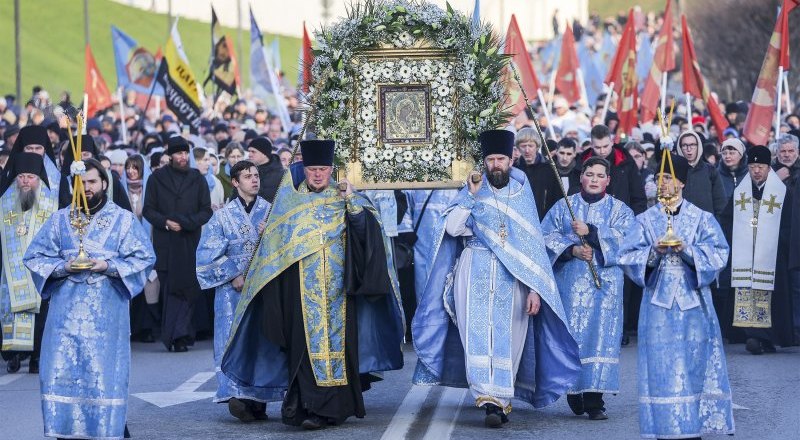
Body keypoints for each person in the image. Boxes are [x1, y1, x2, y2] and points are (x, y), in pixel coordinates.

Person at [221, 139, 405, 430]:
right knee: (302, 353)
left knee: (338, 351)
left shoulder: (345, 198)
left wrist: (352, 203)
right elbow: (274, 248)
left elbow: (368, 236)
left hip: (340, 294)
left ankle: (332, 409)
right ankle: (304, 405)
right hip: (299, 294)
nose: (318, 175)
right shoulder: (289, 202)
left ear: (332, 169)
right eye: (312, 169)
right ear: (303, 169)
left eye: (323, 169)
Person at [412, 129, 579, 428]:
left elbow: (532, 249)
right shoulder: (472, 190)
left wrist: (534, 291)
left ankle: (501, 399)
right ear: (484, 161)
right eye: (490, 159)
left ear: (512, 158)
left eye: (501, 158)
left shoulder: (521, 194)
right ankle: (485, 396)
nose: (496, 164)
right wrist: (471, 198)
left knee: (509, 337)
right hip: (472, 268)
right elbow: (452, 228)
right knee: (475, 334)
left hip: (512, 277)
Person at [23, 158, 155, 439]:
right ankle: (65, 432)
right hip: (64, 318)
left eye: (92, 182)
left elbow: (145, 258)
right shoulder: (60, 220)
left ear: (104, 183)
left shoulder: (123, 220)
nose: (86, 188)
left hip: (107, 317)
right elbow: (34, 256)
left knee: (103, 378)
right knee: (62, 375)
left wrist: (108, 266)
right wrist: (62, 267)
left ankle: (108, 430)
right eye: (80, 183)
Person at [620, 152, 734, 439]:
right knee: (660, 367)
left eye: (668, 178)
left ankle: (692, 427)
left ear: (681, 182)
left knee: (694, 364)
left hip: (694, 304)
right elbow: (626, 255)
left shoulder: (701, 218)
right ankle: (665, 426)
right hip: (657, 306)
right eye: (659, 178)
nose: (663, 183)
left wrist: (688, 251)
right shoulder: (645, 220)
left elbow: (720, 252)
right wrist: (652, 254)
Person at [541, 156, 634, 421]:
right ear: (581, 177)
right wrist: (570, 250)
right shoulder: (564, 207)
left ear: (608, 180)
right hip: (570, 287)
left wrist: (592, 232)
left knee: (600, 339)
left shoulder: (619, 210)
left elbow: (628, 241)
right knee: (573, 337)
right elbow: (544, 236)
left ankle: (595, 400)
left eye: (599, 176)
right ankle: (573, 390)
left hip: (604, 288)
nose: (594, 180)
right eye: (589, 174)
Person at [196, 160, 272, 422]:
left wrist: (271, 234)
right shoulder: (221, 217)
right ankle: (236, 395)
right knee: (232, 341)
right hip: (232, 292)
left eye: (256, 175)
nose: (254, 179)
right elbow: (206, 256)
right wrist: (232, 274)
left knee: (261, 341)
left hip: (263, 289)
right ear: (236, 182)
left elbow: (284, 251)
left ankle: (259, 397)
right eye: (247, 176)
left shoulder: (271, 213)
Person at [143, 135, 212, 352]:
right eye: (178, 153)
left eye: (185, 153)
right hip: (166, 244)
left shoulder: (197, 178)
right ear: (170, 155)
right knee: (170, 290)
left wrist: (186, 223)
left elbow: (206, 211)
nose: (182, 157)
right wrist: (166, 223)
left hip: (190, 242)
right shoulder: (156, 179)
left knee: (188, 290)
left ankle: (181, 334)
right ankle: (172, 335)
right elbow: (148, 210)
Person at [730, 145, 795, 353]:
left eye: (761, 166)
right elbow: (727, 219)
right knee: (748, 291)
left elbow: (790, 223)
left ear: (769, 168)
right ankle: (752, 335)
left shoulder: (783, 192)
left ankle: (769, 337)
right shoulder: (740, 191)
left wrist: (776, 242)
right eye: (752, 166)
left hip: (772, 254)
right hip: (745, 254)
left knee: (772, 294)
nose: (756, 171)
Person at [0, 152, 58, 374]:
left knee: (41, 317)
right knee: (11, 313)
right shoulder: (4, 203)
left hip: (40, 271)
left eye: (30, 177)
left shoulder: (51, 205)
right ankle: (13, 355)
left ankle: (36, 357)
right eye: (22, 176)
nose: (25, 181)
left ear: (39, 179)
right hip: (11, 270)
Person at [675, 130, 727, 217]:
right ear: (679, 148)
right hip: (680, 225)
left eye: (692, 145)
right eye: (684, 145)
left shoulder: (710, 170)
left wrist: (717, 225)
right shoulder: (672, 171)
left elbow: (720, 203)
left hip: (706, 225)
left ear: (698, 146)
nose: (689, 149)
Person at [246, 136, 283, 203]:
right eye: (249, 151)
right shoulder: (243, 172)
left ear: (264, 153)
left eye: (253, 152)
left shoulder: (281, 175)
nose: (249, 155)